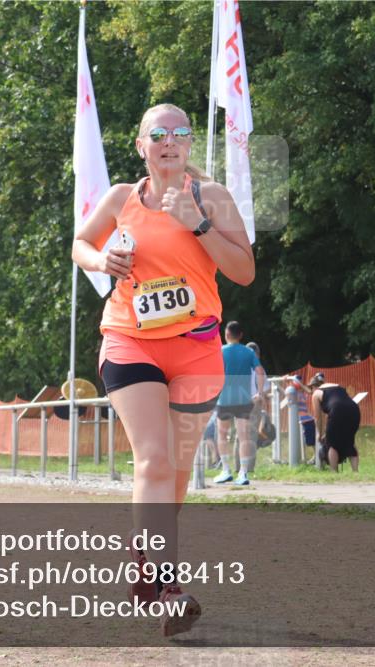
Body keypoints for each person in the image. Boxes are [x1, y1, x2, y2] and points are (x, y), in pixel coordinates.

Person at [72, 103, 254, 636]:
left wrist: (196, 224)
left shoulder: (211, 197)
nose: (170, 142)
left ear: (190, 144)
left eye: (180, 133)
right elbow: (81, 243)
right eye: (159, 134)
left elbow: (243, 270)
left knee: (174, 477)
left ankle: (143, 568)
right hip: (130, 342)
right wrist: (101, 261)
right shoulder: (120, 199)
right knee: (152, 461)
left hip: (196, 349)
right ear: (141, 145)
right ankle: (169, 586)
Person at [214, 322, 266, 485]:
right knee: (244, 437)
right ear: (241, 335)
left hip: (224, 398)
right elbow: (259, 372)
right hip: (244, 399)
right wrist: (259, 392)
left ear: (226, 335)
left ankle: (226, 470)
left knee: (222, 435)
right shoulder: (249, 351)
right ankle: (243, 473)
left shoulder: (220, 351)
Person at [309, 372, 361, 472]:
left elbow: (318, 417)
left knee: (332, 444)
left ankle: (334, 472)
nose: (311, 391)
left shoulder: (316, 393)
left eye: (311, 389)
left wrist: (320, 434)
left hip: (337, 410)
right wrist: (327, 432)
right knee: (350, 441)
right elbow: (336, 410)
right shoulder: (337, 387)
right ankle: (356, 472)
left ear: (313, 386)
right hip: (354, 409)